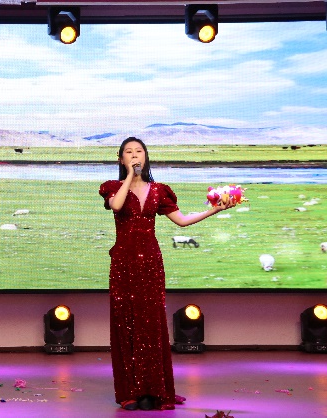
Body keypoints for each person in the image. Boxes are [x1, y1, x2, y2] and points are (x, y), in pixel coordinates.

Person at [98, 137, 233, 411]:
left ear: (146, 156)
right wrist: (129, 177)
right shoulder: (112, 187)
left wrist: (214, 210)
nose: (134, 156)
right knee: (126, 323)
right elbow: (117, 206)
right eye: (128, 152)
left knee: (151, 324)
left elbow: (181, 221)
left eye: (139, 152)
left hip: (150, 262)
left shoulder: (159, 190)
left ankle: (153, 389)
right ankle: (130, 392)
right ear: (120, 159)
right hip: (123, 263)